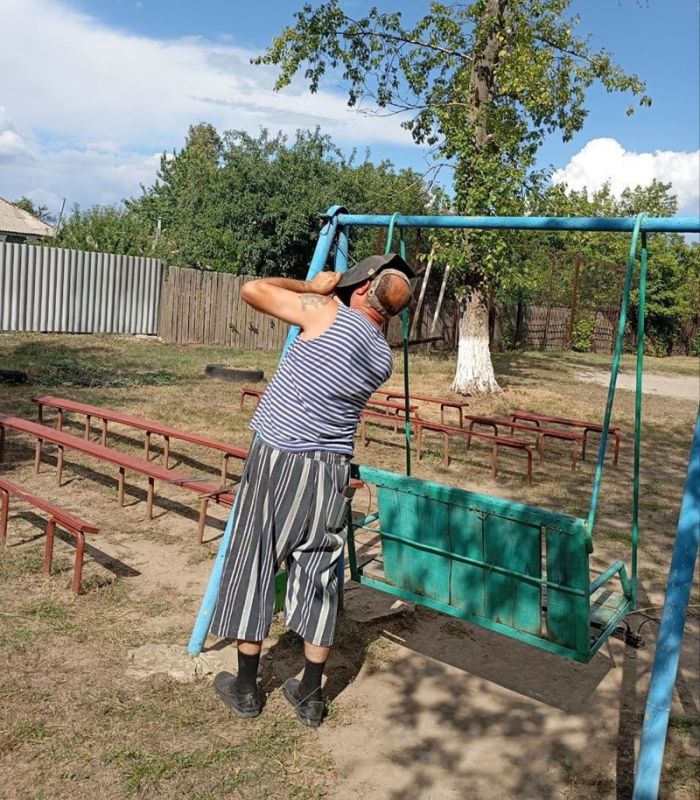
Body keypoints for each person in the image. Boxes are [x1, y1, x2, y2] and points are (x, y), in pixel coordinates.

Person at [211, 253, 415, 728]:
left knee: (254, 557)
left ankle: (245, 688)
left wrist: (312, 286)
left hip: (279, 458)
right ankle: (310, 695)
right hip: (330, 470)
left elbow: (252, 288)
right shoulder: (382, 358)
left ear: (362, 290)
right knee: (321, 573)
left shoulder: (325, 312)